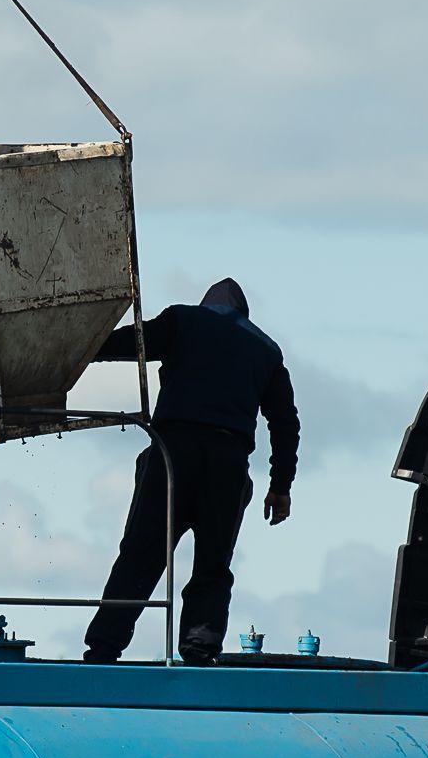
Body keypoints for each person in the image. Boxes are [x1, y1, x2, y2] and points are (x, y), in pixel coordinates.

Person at [83, 279, 299, 665]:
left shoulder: (183, 320)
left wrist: (77, 348)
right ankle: (199, 650)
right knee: (213, 566)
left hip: (172, 456)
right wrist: (280, 486)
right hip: (228, 465)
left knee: (140, 554)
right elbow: (285, 423)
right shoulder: (266, 349)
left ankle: (104, 648)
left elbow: (127, 343)